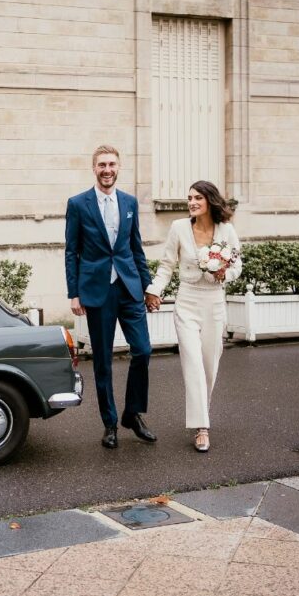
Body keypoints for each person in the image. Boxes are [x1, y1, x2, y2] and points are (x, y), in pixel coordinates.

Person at [65, 145, 156, 449]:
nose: (107, 169)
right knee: (103, 361)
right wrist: (74, 293)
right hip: (97, 291)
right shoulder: (78, 204)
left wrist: (148, 287)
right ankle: (110, 423)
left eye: (112, 164)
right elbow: (71, 251)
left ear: (119, 168)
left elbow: (136, 248)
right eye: (102, 164)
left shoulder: (129, 202)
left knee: (143, 350)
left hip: (129, 289)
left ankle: (132, 413)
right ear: (94, 168)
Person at [145, 180, 241, 452]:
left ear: (210, 200)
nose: (192, 202)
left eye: (198, 197)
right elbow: (166, 266)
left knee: (210, 365)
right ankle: (202, 428)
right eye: (189, 198)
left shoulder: (227, 230)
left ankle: (202, 415)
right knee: (193, 364)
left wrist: (225, 272)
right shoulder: (178, 228)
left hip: (214, 302)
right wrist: (154, 290)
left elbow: (237, 264)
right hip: (186, 301)